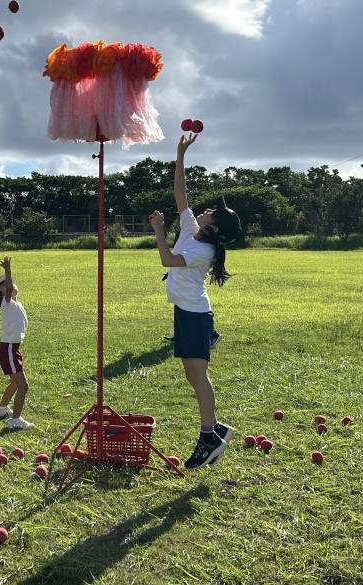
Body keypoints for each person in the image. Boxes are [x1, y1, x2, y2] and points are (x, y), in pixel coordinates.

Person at [149, 134, 241, 470]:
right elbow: (180, 192)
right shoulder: (192, 228)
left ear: (214, 224)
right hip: (186, 312)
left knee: (197, 375)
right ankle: (214, 428)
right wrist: (180, 152)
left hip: (195, 315)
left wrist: (158, 229)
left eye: (211, 211)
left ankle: (209, 436)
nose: (204, 210)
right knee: (193, 374)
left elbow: (168, 261)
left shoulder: (205, 250)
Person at [0, 256, 34, 430]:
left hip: (11, 349)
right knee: (23, 385)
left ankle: (1, 409)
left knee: (15, 383)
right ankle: (15, 420)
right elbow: (8, 289)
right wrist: (7, 270)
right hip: (8, 349)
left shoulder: (15, 303)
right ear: (1, 293)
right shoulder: (6, 303)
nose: (9, 285)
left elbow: (10, 287)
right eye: (4, 284)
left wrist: (8, 277)